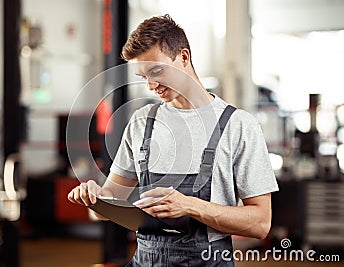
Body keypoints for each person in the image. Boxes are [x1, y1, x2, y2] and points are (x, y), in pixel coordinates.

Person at [68, 14, 279, 266]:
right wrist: (95, 198)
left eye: (156, 71)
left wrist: (189, 206)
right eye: (142, 76)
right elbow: (108, 205)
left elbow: (260, 223)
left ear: (184, 57)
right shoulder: (141, 122)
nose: (150, 85)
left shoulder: (238, 125)